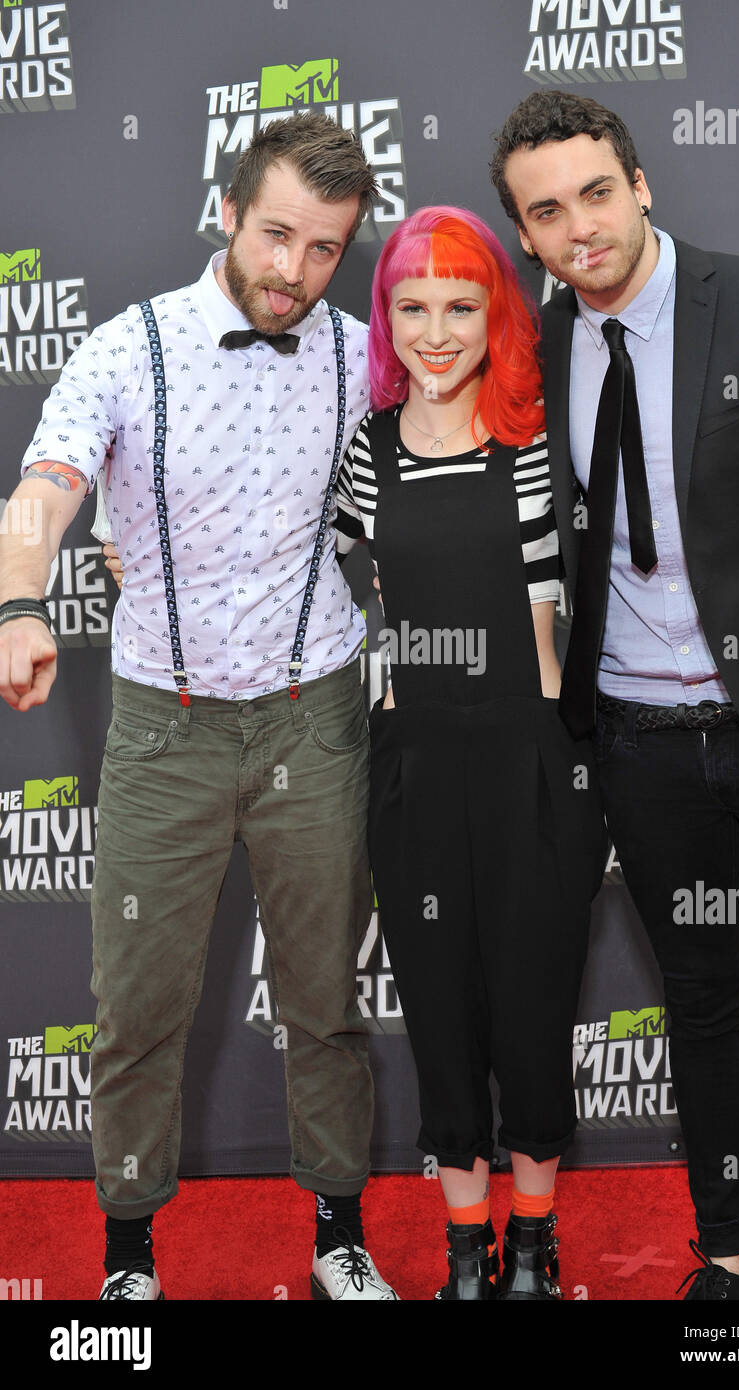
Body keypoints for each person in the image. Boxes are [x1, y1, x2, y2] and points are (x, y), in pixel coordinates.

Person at [0, 113, 398, 1302]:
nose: (294, 270)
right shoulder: (131, 349)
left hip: (313, 711)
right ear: (228, 214)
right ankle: (130, 1257)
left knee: (326, 997)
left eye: (324, 249)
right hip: (164, 725)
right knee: (135, 1006)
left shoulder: (363, 353)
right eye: (277, 234)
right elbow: (46, 484)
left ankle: (337, 1234)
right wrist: (20, 606)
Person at [490, 89, 739, 1300]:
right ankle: (731, 1259)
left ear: (641, 184)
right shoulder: (535, 348)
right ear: (528, 236)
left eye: (595, 193)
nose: (578, 228)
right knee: (699, 1011)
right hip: (640, 744)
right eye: (545, 213)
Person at [333, 207, 608, 1299]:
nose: (436, 331)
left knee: (536, 1006)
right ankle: (462, 1254)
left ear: (498, 312)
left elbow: (672, 518)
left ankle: (531, 1249)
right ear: (385, 317)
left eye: (461, 305)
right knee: (440, 1009)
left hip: (534, 759)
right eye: (412, 307)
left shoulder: (543, 435)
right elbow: (279, 559)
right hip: (414, 763)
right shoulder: (366, 451)